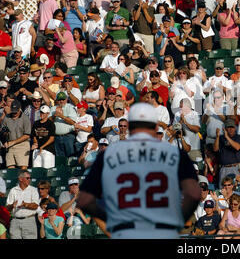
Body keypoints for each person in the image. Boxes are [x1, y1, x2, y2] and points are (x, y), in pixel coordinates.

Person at [78, 102, 201, 239]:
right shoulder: (175, 154)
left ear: (130, 126)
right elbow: (194, 193)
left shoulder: (110, 154)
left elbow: (85, 199)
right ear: (155, 127)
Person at [5, 170, 39, 239]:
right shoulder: (13, 190)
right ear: (20, 179)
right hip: (15, 220)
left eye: (30, 178)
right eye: (27, 178)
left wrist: (25, 204)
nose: (29, 180)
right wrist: (12, 206)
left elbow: (36, 206)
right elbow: (7, 207)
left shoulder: (33, 190)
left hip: (29, 220)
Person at [0, 99, 31, 169]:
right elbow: (2, 132)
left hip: (22, 145)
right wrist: (4, 136)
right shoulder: (6, 118)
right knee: (10, 167)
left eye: (16, 112)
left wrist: (13, 142)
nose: (14, 113)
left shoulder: (25, 118)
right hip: (10, 145)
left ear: (20, 109)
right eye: (13, 111)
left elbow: (27, 135)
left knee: (23, 168)